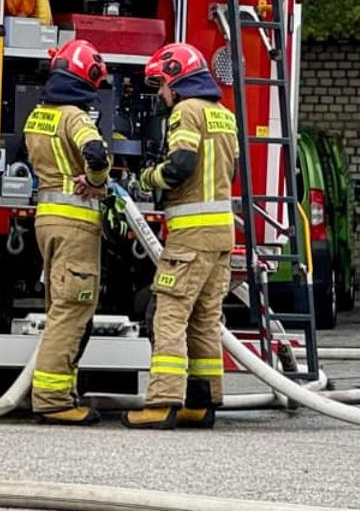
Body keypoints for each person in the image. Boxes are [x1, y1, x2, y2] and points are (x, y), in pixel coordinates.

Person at [125, 42, 238, 430]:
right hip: (221, 235)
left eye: (161, 84)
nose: (161, 93)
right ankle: (200, 403)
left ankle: (162, 402)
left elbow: (181, 165)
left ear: (177, 79)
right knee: (205, 319)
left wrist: (146, 178)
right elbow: (231, 170)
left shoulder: (186, 110)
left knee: (168, 316)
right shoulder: (223, 114)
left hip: (190, 236)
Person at [22, 38, 113, 425]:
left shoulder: (37, 115)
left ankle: (56, 393)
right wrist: (95, 180)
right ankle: (54, 399)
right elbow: (96, 154)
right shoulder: (75, 117)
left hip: (47, 221)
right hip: (76, 224)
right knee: (72, 310)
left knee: (58, 307)